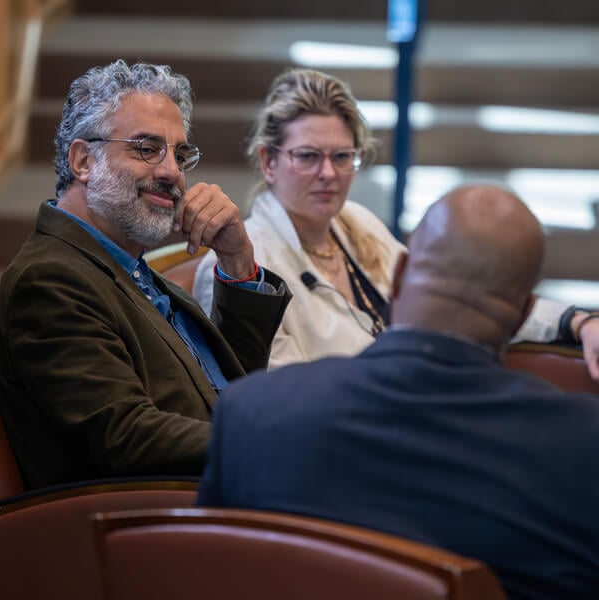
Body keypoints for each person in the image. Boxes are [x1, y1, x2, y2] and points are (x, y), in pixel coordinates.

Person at [198, 184, 599, 600]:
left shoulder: (252, 413)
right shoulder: (582, 447)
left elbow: (207, 575)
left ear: (401, 274)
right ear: (522, 316)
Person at [192, 67, 599, 377]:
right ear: (269, 162)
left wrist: (577, 321)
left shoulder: (357, 224)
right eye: (308, 156)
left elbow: (459, 296)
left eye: (342, 157)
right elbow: (284, 400)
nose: (329, 174)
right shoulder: (238, 273)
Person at [0, 60, 291, 491]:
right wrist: (282, 442)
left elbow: (230, 391)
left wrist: (236, 261)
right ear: (83, 160)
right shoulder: (48, 279)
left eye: (180, 153)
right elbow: (125, 435)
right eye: (145, 148)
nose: (172, 172)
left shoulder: (131, 268)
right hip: (148, 528)